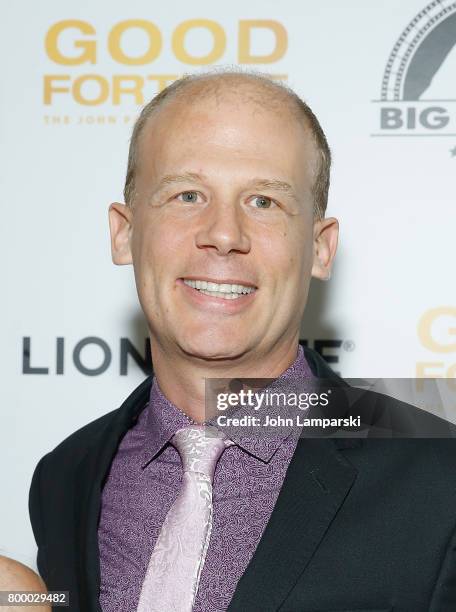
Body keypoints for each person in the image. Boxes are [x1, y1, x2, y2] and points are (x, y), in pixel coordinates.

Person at [29, 69, 456, 612]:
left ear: (321, 248)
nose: (224, 235)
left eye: (264, 202)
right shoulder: (66, 477)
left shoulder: (440, 478)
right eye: (187, 195)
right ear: (124, 233)